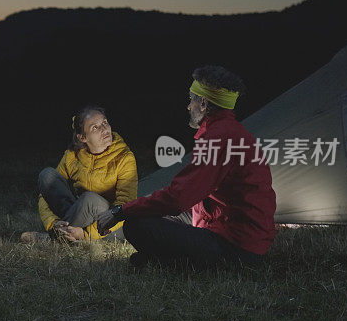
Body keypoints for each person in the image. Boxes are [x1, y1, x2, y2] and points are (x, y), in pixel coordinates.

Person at [96, 66, 276, 269]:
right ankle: (163, 260)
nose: (189, 107)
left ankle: (169, 263)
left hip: (235, 248)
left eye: (192, 100)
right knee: (151, 212)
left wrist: (121, 211)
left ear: (204, 103)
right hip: (242, 236)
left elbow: (178, 197)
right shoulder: (233, 132)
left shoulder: (218, 139)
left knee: (137, 225)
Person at [21, 106, 138, 243]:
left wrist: (85, 233)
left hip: (110, 221)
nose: (104, 129)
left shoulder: (124, 157)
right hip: (80, 210)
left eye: (105, 123)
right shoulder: (73, 156)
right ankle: (63, 231)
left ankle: (53, 239)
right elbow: (45, 195)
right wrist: (53, 222)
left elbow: (125, 205)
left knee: (90, 199)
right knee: (47, 176)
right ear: (82, 137)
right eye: (95, 127)